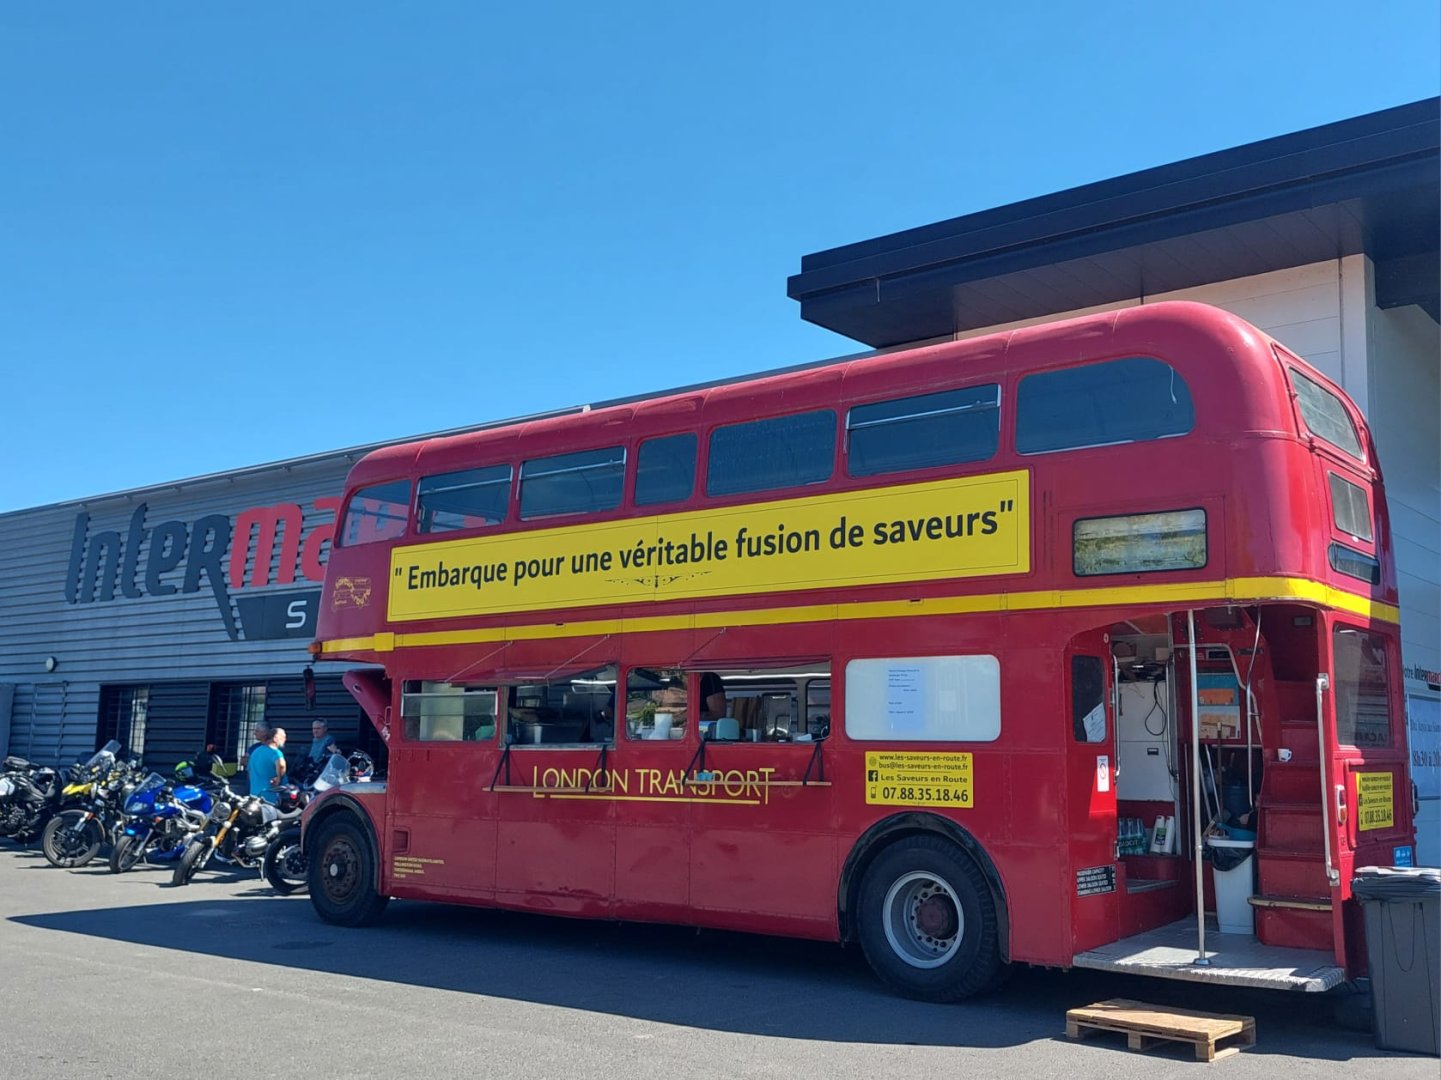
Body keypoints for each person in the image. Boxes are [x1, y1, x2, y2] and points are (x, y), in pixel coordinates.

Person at [248, 727, 287, 804]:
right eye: (283, 737)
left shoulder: (256, 751)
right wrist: (279, 779)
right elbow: (282, 766)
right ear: (275, 738)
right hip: (270, 796)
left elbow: (249, 771)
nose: (285, 739)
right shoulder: (275, 752)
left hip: (254, 794)